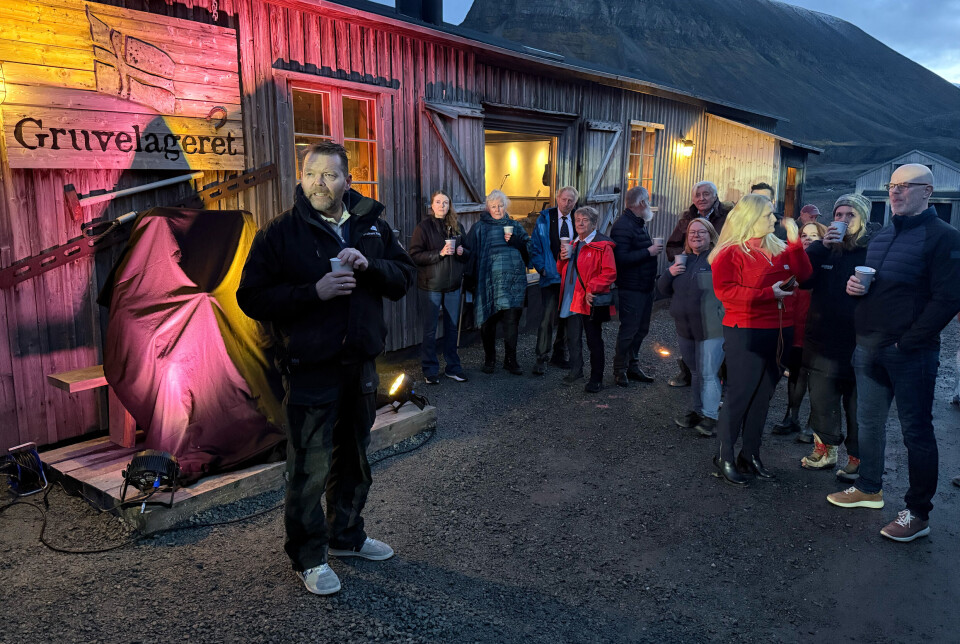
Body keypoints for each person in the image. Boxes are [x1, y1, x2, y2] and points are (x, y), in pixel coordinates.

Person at [236, 142, 415, 595]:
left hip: (360, 365)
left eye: (330, 175)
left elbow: (404, 277)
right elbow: (250, 297)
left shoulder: (373, 226)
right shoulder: (280, 233)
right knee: (308, 468)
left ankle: (346, 537)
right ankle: (308, 556)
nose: (320, 182)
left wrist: (370, 264)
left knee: (355, 458)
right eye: (312, 173)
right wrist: (312, 292)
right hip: (310, 366)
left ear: (346, 180)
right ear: (302, 178)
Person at [827, 164, 960, 542]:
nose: (896, 192)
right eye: (892, 186)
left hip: (910, 353)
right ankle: (869, 487)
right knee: (869, 423)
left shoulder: (945, 238)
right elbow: (879, 287)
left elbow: (948, 298)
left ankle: (918, 513)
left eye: (906, 186)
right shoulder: (883, 236)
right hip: (868, 345)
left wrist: (909, 343)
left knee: (916, 432)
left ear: (927, 193)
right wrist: (856, 288)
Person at [708, 194, 812, 485]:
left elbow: (804, 274)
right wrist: (770, 294)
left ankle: (750, 454)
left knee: (763, 396)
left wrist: (794, 242)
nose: (774, 219)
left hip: (780, 330)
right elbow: (725, 293)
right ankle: (724, 455)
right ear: (749, 218)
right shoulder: (729, 253)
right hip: (747, 331)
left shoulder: (778, 247)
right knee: (739, 396)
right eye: (767, 215)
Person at [798, 195, 869, 479]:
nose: (842, 220)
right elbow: (803, 280)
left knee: (856, 404)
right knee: (822, 398)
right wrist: (820, 246)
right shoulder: (826, 249)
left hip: (857, 339)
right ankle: (826, 450)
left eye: (850, 215)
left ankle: (857, 457)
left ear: (862, 219)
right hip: (821, 338)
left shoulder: (871, 250)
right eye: (838, 215)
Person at [657, 218, 724, 437]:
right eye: (692, 232)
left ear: (711, 235)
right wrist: (670, 272)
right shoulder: (683, 260)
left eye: (701, 232)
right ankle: (698, 411)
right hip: (684, 328)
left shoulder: (717, 259)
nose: (695, 236)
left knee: (708, 373)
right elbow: (662, 289)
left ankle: (711, 416)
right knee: (695, 371)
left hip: (710, 328)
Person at [665, 181, 732, 387]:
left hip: (717, 275)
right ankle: (690, 372)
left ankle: (721, 380)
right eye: (698, 195)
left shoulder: (728, 217)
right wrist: (683, 258)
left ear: (715, 196)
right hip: (693, 276)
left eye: (706, 194)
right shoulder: (687, 219)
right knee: (689, 327)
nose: (701, 198)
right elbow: (672, 246)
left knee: (717, 330)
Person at [464, 190, 531, 375]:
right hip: (488, 283)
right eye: (493, 206)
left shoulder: (515, 226)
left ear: (506, 206)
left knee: (511, 323)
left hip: (513, 284)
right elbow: (470, 253)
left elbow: (528, 249)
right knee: (488, 322)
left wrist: (517, 241)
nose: (497, 209)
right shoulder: (480, 228)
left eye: (500, 205)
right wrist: (469, 279)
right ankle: (490, 359)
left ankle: (511, 359)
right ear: (488, 208)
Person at [771, 221, 825, 441]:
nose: (808, 239)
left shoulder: (826, 262)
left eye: (814, 235)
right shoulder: (793, 261)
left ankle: (815, 422)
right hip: (794, 324)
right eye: (804, 235)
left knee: (817, 377)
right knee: (796, 373)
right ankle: (791, 417)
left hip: (817, 326)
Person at [409, 190, 470, 384]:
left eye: (445, 202)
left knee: (452, 328)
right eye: (438, 202)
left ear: (449, 205)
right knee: (430, 329)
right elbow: (415, 256)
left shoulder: (457, 226)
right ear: (432, 206)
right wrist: (440, 253)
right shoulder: (423, 228)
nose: (442, 205)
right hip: (431, 286)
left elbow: (468, 252)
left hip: (453, 285)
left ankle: (453, 367)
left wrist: (462, 251)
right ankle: (430, 370)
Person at [557, 206, 617, 392]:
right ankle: (576, 370)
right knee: (573, 338)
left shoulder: (602, 245)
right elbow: (563, 271)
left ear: (594, 223)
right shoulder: (575, 243)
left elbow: (610, 273)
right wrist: (561, 258)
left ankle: (596, 378)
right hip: (572, 298)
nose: (580, 223)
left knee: (594, 340)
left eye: (585, 220)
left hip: (590, 299)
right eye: (577, 220)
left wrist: (593, 288)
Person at [611, 186, 660, 386]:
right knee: (629, 329)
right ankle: (619, 369)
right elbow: (620, 259)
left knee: (642, 329)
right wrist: (649, 251)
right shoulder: (623, 226)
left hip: (644, 286)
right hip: (631, 288)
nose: (649, 204)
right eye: (647, 200)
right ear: (641, 203)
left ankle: (632, 365)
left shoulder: (638, 223)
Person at [529, 187, 578, 374]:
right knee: (547, 318)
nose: (567, 203)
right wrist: (541, 268)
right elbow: (535, 246)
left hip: (570, 277)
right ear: (557, 198)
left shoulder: (578, 219)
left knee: (566, 317)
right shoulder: (545, 218)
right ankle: (541, 358)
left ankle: (560, 354)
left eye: (571, 201)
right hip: (550, 276)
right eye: (564, 199)